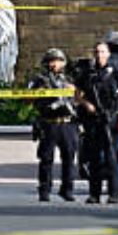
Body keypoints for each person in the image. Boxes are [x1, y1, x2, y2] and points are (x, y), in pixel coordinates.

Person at [76, 42, 118, 204]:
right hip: (93, 120)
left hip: (112, 119)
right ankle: (94, 194)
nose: (100, 55)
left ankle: (113, 194)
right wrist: (87, 105)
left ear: (108, 54)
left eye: (103, 52)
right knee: (94, 159)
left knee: (111, 157)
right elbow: (77, 95)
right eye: (97, 51)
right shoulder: (87, 73)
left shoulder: (116, 73)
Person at [29, 48, 79, 202]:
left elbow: (82, 97)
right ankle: (44, 189)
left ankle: (67, 189)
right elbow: (28, 98)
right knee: (46, 159)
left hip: (67, 122)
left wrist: (74, 91)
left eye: (58, 61)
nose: (55, 64)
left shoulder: (70, 79)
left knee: (69, 158)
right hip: (49, 123)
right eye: (51, 61)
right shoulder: (39, 80)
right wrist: (40, 92)